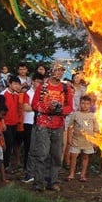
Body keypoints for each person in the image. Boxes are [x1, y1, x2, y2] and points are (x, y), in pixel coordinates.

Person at [28, 62, 73, 192]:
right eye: (57, 70)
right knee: (42, 154)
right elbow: (34, 104)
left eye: (62, 71)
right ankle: (38, 183)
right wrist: (48, 108)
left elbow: (70, 107)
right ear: (51, 71)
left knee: (56, 155)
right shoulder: (43, 87)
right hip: (43, 124)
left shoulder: (66, 88)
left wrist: (60, 110)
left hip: (58, 125)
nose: (59, 73)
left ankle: (52, 182)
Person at [66, 95, 97, 181]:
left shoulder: (92, 116)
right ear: (80, 104)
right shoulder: (76, 114)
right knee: (74, 156)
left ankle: (82, 175)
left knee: (85, 157)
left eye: (87, 104)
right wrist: (69, 138)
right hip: (76, 140)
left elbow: (96, 129)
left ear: (90, 105)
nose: (85, 105)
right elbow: (70, 127)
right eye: (83, 103)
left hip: (88, 141)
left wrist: (95, 141)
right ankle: (71, 174)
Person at [0, 76, 24, 172]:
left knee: (12, 144)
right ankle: (4, 166)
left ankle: (7, 164)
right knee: (7, 144)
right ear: (10, 84)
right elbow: (1, 110)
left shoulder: (17, 95)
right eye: (15, 84)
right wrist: (3, 122)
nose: (17, 86)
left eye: (18, 84)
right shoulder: (3, 94)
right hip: (6, 123)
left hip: (14, 123)